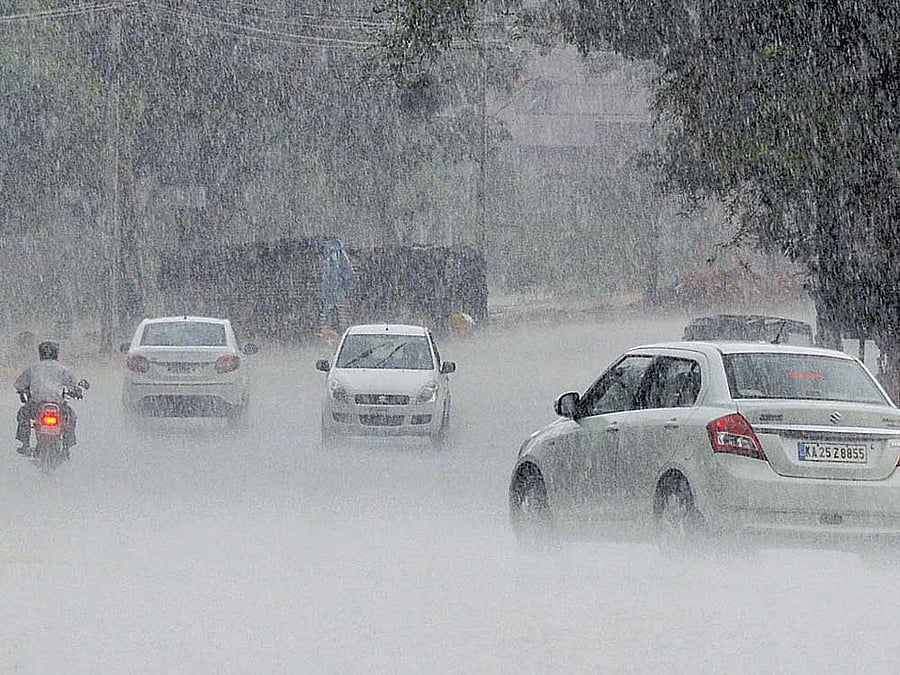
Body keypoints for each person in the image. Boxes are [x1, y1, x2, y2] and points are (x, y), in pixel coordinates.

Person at [13, 340, 79, 455]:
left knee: (22, 414)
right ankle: (66, 447)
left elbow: (19, 384)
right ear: (56, 353)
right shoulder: (62, 369)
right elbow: (74, 385)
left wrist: (22, 390)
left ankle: (25, 444)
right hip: (58, 406)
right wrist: (76, 391)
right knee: (71, 417)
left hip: (36, 405)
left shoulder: (33, 368)